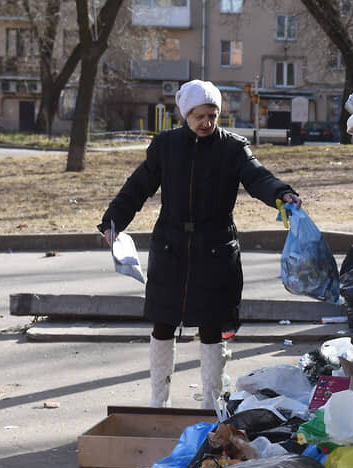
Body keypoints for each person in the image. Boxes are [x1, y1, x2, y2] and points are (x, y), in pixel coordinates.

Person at [99, 79, 301, 409]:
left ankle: (212, 403)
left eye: (212, 115)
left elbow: (257, 176)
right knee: (163, 325)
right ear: (185, 115)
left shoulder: (233, 148)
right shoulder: (165, 146)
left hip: (216, 249)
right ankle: (158, 402)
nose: (206, 123)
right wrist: (113, 223)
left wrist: (281, 192)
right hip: (171, 248)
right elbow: (137, 187)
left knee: (212, 327)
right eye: (198, 116)